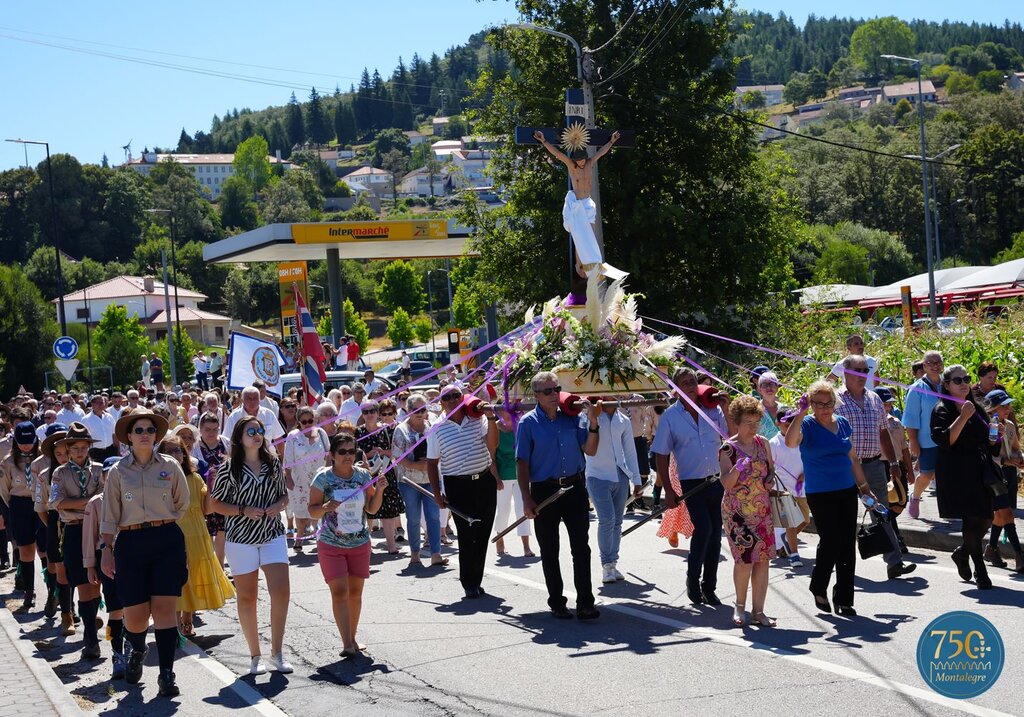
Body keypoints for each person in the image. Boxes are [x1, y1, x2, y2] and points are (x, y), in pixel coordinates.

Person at [100, 409, 189, 695]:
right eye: (138, 430)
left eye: (150, 430)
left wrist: (164, 517)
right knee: (135, 616)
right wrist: (106, 550)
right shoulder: (117, 471)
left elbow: (182, 501)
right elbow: (109, 515)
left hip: (165, 540)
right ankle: (136, 651)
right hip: (130, 542)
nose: (144, 435)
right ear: (128, 436)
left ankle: (166, 674)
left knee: (164, 609)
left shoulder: (170, 465)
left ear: (156, 435)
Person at [786, 380, 878, 616]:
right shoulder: (806, 424)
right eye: (818, 404)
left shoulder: (844, 424)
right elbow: (790, 441)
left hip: (846, 490)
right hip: (820, 493)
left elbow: (853, 459)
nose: (824, 408)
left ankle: (844, 598)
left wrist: (865, 488)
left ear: (835, 403)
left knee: (847, 544)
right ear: (811, 403)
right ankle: (818, 585)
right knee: (831, 541)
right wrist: (800, 412)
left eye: (828, 403)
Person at [209, 416, 293, 675]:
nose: (257, 435)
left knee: (281, 591)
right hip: (240, 538)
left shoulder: (273, 463)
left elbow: (284, 496)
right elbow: (215, 504)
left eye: (259, 430)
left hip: (272, 534)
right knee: (248, 597)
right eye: (250, 431)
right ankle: (255, 655)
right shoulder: (228, 468)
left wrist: (278, 506)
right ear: (239, 437)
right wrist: (243, 510)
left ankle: (277, 652)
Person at [516, 372, 600, 619]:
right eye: (547, 391)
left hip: (574, 487)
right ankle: (557, 602)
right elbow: (522, 462)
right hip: (544, 490)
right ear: (536, 396)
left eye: (556, 389)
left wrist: (593, 423)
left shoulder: (572, 418)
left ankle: (585, 602)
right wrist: (526, 498)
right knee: (550, 549)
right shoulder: (528, 423)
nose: (554, 395)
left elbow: (591, 450)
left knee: (581, 547)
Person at [651, 368, 727, 606]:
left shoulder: (712, 409)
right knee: (703, 529)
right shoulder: (671, 417)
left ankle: (709, 586)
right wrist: (668, 491)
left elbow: (730, 437)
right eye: (685, 383)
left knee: (715, 534)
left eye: (693, 381)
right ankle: (693, 580)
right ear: (676, 388)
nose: (691, 386)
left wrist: (726, 407)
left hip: (716, 480)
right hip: (692, 483)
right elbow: (660, 454)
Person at [835, 355, 916, 580]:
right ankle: (842, 561)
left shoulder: (874, 399)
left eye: (865, 370)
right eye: (858, 370)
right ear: (846, 373)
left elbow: (883, 432)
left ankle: (894, 563)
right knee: (845, 517)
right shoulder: (835, 400)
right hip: (845, 467)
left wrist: (892, 462)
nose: (863, 375)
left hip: (873, 465)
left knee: (882, 513)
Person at [309, 432, 387, 657]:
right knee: (340, 592)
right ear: (332, 455)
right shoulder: (323, 478)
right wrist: (325, 507)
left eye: (351, 451)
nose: (348, 456)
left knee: (355, 593)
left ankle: (352, 637)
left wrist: (380, 489)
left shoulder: (363, 476)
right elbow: (312, 511)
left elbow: (372, 509)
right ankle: (346, 643)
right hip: (331, 544)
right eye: (342, 452)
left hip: (359, 543)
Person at [930, 365, 1000, 589]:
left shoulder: (977, 408)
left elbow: (988, 441)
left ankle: (962, 551)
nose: (963, 384)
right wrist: (962, 417)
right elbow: (945, 440)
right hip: (956, 472)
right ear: (947, 385)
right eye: (957, 380)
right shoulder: (942, 409)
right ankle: (980, 569)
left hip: (980, 470)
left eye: (966, 379)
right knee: (971, 519)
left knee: (987, 517)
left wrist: (993, 438)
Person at [428, 385, 500, 600]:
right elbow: (432, 464)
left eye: (455, 396)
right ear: (441, 402)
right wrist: (437, 493)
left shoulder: (478, 418)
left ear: (463, 397)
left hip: (484, 480)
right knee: (467, 535)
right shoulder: (436, 427)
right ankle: (468, 582)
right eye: (446, 397)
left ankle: (476, 579)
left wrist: (492, 418)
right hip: (457, 485)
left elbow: (492, 445)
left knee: (483, 532)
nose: (451, 400)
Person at [158, 436, 234, 639]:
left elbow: (207, 509)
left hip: (196, 532)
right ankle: (172, 624)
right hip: (171, 534)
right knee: (174, 579)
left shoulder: (195, 478)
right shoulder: (159, 478)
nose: (176, 455)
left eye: (179, 450)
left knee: (193, 576)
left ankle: (187, 620)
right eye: (171, 451)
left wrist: (212, 484)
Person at [718, 397, 777, 627]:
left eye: (756, 422)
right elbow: (726, 483)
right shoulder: (727, 448)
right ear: (737, 422)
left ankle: (759, 611)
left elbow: (771, 471)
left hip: (761, 510)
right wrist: (737, 467)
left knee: (763, 560)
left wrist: (770, 480)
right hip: (737, 514)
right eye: (748, 422)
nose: (753, 427)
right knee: (744, 560)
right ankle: (739, 607)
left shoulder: (763, 443)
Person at [50, 423, 105, 659]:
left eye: (84, 447)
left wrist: (79, 502)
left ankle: (93, 628)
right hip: (74, 530)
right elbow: (56, 502)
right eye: (75, 448)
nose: (80, 452)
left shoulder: (100, 469)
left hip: (98, 530)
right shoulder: (60, 473)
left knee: (97, 584)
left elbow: (105, 499)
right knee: (83, 583)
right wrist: (89, 502)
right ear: (68, 449)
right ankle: (91, 640)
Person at [585, 399, 642, 583]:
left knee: (617, 522)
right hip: (596, 476)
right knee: (607, 519)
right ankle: (606, 565)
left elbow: (630, 451)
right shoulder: (587, 416)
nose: (616, 396)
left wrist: (636, 480)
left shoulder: (623, 420)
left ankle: (613, 563)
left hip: (620, 476)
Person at [83, 456, 127, 679]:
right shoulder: (96, 503)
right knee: (115, 610)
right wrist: (90, 565)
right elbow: (90, 537)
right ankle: (118, 654)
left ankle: (133, 647)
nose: (112, 478)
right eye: (108, 474)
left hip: (132, 558)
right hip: (108, 561)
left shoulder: (134, 497)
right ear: (102, 477)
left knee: (135, 608)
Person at [393, 394, 448, 568]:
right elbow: (397, 456)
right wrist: (417, 466)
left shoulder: (431, 427)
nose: (419, 413)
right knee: (414, 517)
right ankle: (415, 554)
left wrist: (431, 465)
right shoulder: (401, 430)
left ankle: (436, 554)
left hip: (431, 480)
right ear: (408, 411)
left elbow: (441, 450)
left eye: (423, 409)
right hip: (409, 482)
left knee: (433, 516)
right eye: (415, 409)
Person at [1, 421, 45, 613]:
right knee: (26, 550)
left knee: (45, 550)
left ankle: (54, 589)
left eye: (30, 441)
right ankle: (29, 590)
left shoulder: (44, 459)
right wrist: (14, 508)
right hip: (20, 504)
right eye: (22, 442)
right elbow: (4, 490)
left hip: (41, 504)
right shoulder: (8, 462)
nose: (26, 445)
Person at [36, 424, 74, 628]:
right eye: (58, 453)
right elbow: (40, 506)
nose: (63, 457)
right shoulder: (44, 475)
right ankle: (65, 612)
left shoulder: (85, 471)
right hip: (56, 522)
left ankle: (72, 607)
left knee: (77, 567)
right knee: (60, 568)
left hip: (78, 523)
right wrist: (53, 526)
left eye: (67, 452)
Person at [984, 389, 1023, 573]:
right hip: (995, 473)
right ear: (993, 409)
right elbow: (986, 456)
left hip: (1009, 473)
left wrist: (1019, 458)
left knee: (1002, 515)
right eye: (1003, 406)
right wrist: (1005, 461)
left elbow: (1015, 447)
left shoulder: (1009, 426)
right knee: (1006, 513)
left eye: (1008, 405)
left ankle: (991, 549)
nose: (1008, 409)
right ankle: (1019, 555)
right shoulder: (986, 427)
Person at [359, 400, 404, 553]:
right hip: (366, 476)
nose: (369, 414)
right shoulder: (358, 432)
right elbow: (353, 455)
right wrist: (367, 455)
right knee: (368, 509)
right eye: (365, 412)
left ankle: (391, 545)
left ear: (377, 413)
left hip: (385, 473)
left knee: (388, 509)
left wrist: (383, 452)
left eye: (372, 411)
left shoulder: (388, 430)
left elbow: (398, 452)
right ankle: (367, 546)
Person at [904, 350, 944, 519]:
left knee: (947, 473)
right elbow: (911, 417)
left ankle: (950, 506)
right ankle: (915, 497)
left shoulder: (949, 384)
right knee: (927, 474)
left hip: (948, 437)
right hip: (926, 439)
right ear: (924, 366)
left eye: (938, 362)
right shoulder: (917, 389)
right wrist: (913, 440)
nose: (935, 366)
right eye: (930, 363)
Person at [284, 406, 329, 553]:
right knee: (300, 511)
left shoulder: (322, 433)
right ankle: (299, 538)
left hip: (319, 478)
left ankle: (318, 537)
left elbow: (329, 454)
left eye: (310, 420)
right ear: (299, 422)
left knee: (318, 508)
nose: (307, 424)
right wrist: (288, 478)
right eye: (304, 421)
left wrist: (329, 473)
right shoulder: (293, 436)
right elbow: (288, 460)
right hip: (299, 479)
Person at [769, 409, 809, 567]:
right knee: (791, 522)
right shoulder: (773, 443)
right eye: (786, 424)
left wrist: (805, 474)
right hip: (782, 490)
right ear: (778, 424)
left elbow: (809, 458)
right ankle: (794, 554)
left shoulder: (802, 438)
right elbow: (769, 466)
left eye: (793, 423)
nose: (790, 426)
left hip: (802, 488)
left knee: (805, 520)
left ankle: (786, 539)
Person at [493, 408, 534, 558]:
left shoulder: (520, 426)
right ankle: (500, 540)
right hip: (503, 476)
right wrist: (496, 478)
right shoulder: (494, 428)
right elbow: (491, 456)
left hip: (520, 475)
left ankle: (526, 546)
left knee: (523, 509)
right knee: (503, 510)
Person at [876, 387, 913, 553]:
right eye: (884, 403)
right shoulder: (872, 422)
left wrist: (910, 470)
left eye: (889, 403)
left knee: (901, 500)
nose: (887, 407)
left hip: (898, 465)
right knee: (887, 502)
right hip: (880, 465)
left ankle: (882, 527)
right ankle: (895, 537)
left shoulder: (895, 422)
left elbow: (904, 448)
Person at [224, 387, 285, 455]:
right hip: (242, 460)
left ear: (259, 399)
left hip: (268, 458)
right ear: (242, 400)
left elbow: (279, 440)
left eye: (255, 398)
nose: (252, 401)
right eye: (249, 398)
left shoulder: (269, 414)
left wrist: (283, 462)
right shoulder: (234, 417)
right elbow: (227, 442)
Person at [82, 395, 118, 461]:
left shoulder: (109, 417)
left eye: (103, 402)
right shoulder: (86, 419)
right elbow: (84, 439)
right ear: (92, 404)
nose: (101, 404)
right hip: (95, 452)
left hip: (111, 450)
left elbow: (114, 434)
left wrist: (117, 450)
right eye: (99, 403)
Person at [756, 372, 783, 439]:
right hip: (764, 448)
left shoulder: (784, 408)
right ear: (759, 390)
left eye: (772, 384)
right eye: (764, 385)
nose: (768, 387)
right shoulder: (756, 410)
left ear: (777, 387)